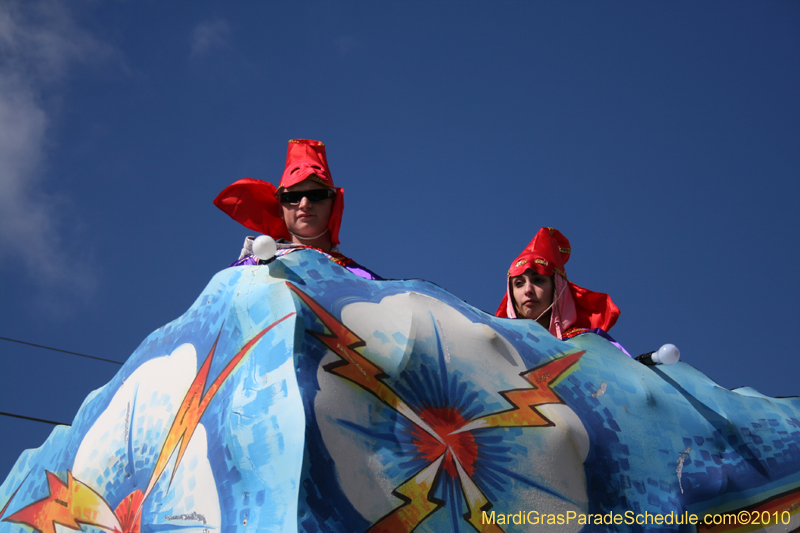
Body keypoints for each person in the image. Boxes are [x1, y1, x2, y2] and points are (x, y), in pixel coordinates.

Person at [213, 138, 380, 280]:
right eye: (292, 198)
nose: (304, 204)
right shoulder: (248, 269)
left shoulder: (359, 278)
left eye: (317, 195)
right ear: (280, 209)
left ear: (333, 203)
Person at [496, 228, 627, 352]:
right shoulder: (499, 347)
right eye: (519, 283)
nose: (528, 290)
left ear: (557, 289)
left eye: (538, 280)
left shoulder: (590, 345)